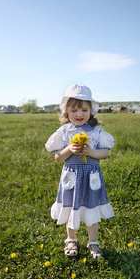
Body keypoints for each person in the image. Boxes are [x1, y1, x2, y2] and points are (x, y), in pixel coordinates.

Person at [45, 84, 114, 259]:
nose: (79, 114)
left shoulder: (97, 132)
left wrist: (91, 152)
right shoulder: (64, 132)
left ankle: (93, 241)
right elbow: (58, 157)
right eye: (74, 110)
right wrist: (69, 149)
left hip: (91, 178)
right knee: (71, 208)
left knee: (92, 208)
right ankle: (71, 239)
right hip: (72, 179)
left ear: (91, 111)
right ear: (66, 111)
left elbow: (104, 153)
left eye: (84, 110)